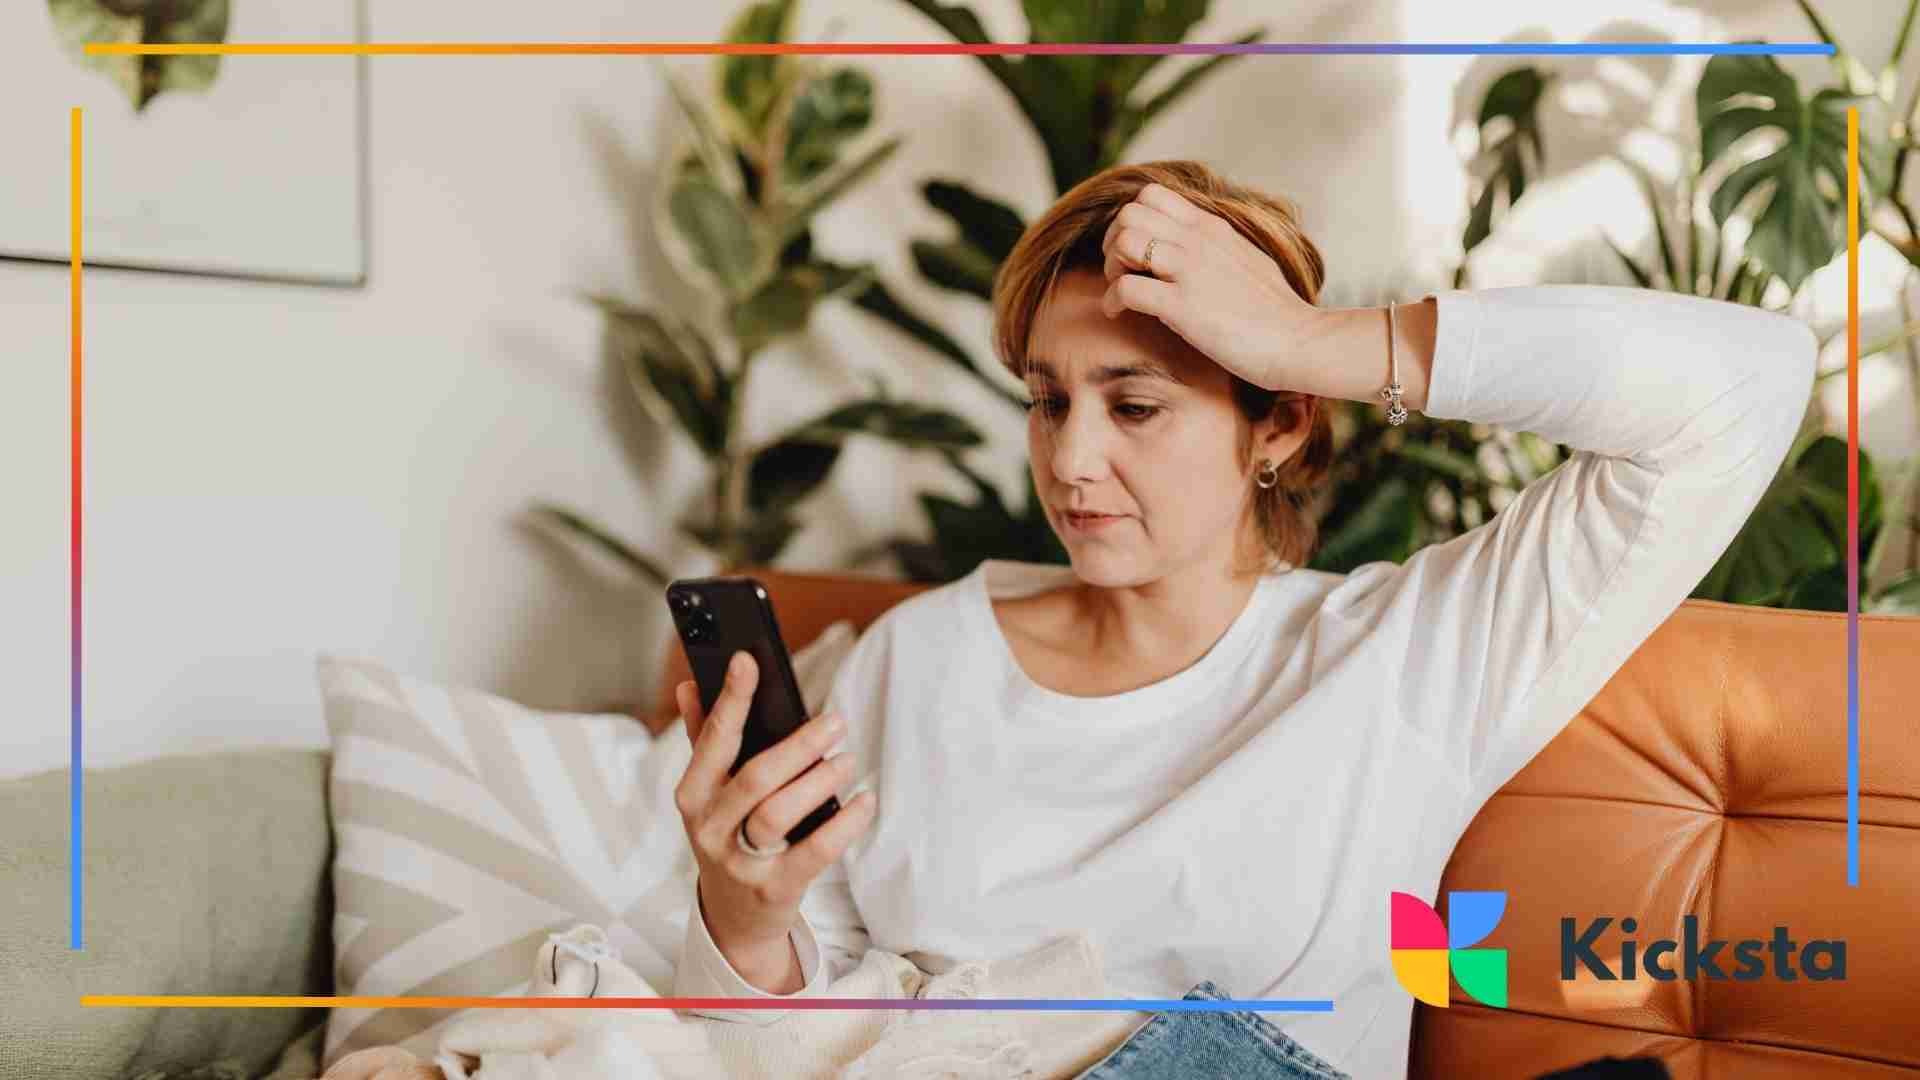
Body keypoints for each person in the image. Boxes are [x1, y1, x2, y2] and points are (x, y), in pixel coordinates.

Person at [664, 160, 1818, 1078]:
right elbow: (825, 1010)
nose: (1072, 459)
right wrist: (744, 915)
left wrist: (1308, 339)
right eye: (1049, 400)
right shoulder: (918, 656)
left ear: (1275, 426)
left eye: (1137, 404)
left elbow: (1747, 383)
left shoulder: (1408, 658)